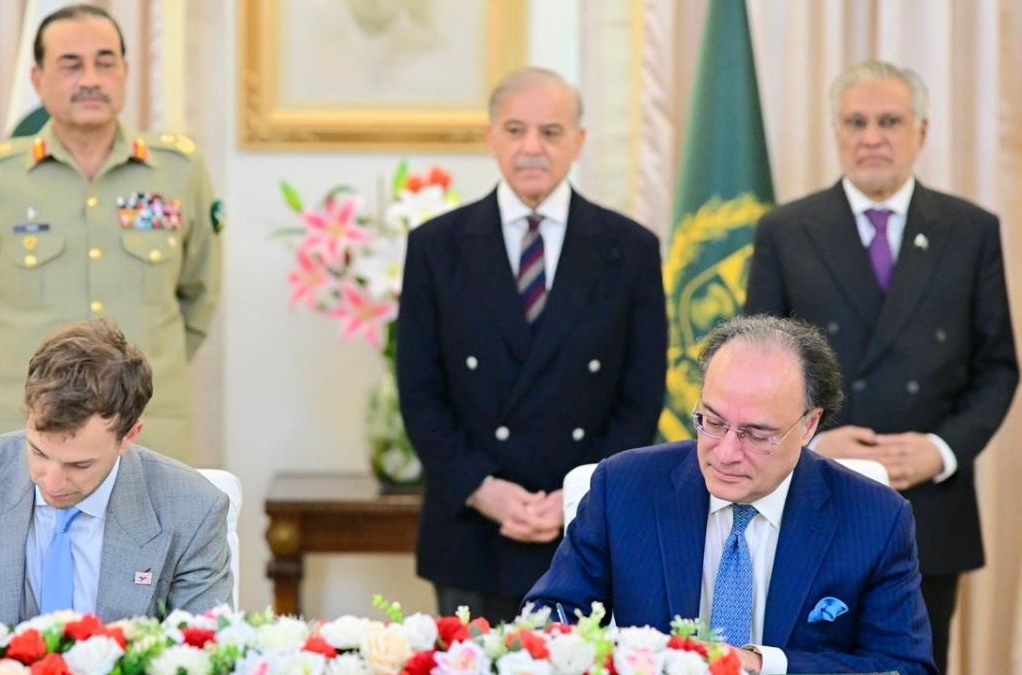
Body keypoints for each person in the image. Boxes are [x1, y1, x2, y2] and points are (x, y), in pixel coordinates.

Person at [744, 60, 1018, 672]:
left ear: (921, 131)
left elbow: (998, 367)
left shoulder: (971, 230)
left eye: (890, 122)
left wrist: (941, 450)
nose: (872, 137)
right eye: (856, 122)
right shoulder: (786, 230)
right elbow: (757, 367)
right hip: (812, 496)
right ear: (836, 131)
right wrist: (814, 444)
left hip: (928, 505)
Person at [396, 67, 667, 622]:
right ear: (492, 137)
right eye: (516, 130)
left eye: (551, 132)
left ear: (579, 142)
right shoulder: (436, 246)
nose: (532, 148)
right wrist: (482, 489)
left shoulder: (630, 248)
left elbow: (640, 399)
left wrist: (578, 494)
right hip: (471, 530)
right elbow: (420, 393)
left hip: (585, 527)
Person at [526, 315, 935, 674]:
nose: (725, 453)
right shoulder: (623, 487)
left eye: (756, 434)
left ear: (809, 426)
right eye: (712, 422)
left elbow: (903, 667)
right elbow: (548, 621)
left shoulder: (875, 519)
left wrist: (761, 665)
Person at [0, 4, 222, 461]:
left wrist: (139, 373)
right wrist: (20, 366)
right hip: (29, 424)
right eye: (71, 65)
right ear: (38, 80)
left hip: (146, 424)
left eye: (105, 63)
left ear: (125, 72)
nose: (90, 79)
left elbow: (199, 295)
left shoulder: (178, 172)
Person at [0, 320, 232, 668]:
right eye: (39, 452)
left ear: (129, 436)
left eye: (79, 465)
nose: (52, 482)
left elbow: (208, 653)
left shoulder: (194, 509)